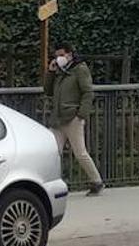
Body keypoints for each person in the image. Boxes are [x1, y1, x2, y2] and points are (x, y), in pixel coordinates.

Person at [43, 43, 105, 195]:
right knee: (52, 152)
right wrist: (50, 72)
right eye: (56, 55)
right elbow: (48, 91)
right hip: (58, 118)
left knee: (80, 152)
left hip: (72, 117)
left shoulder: (80, 69)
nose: (58, 58)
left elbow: (87, 92)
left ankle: (97, 181)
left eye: (61, 55)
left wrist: (81, 114)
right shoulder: (60, 71)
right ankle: (51, 183)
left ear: (70, 55)